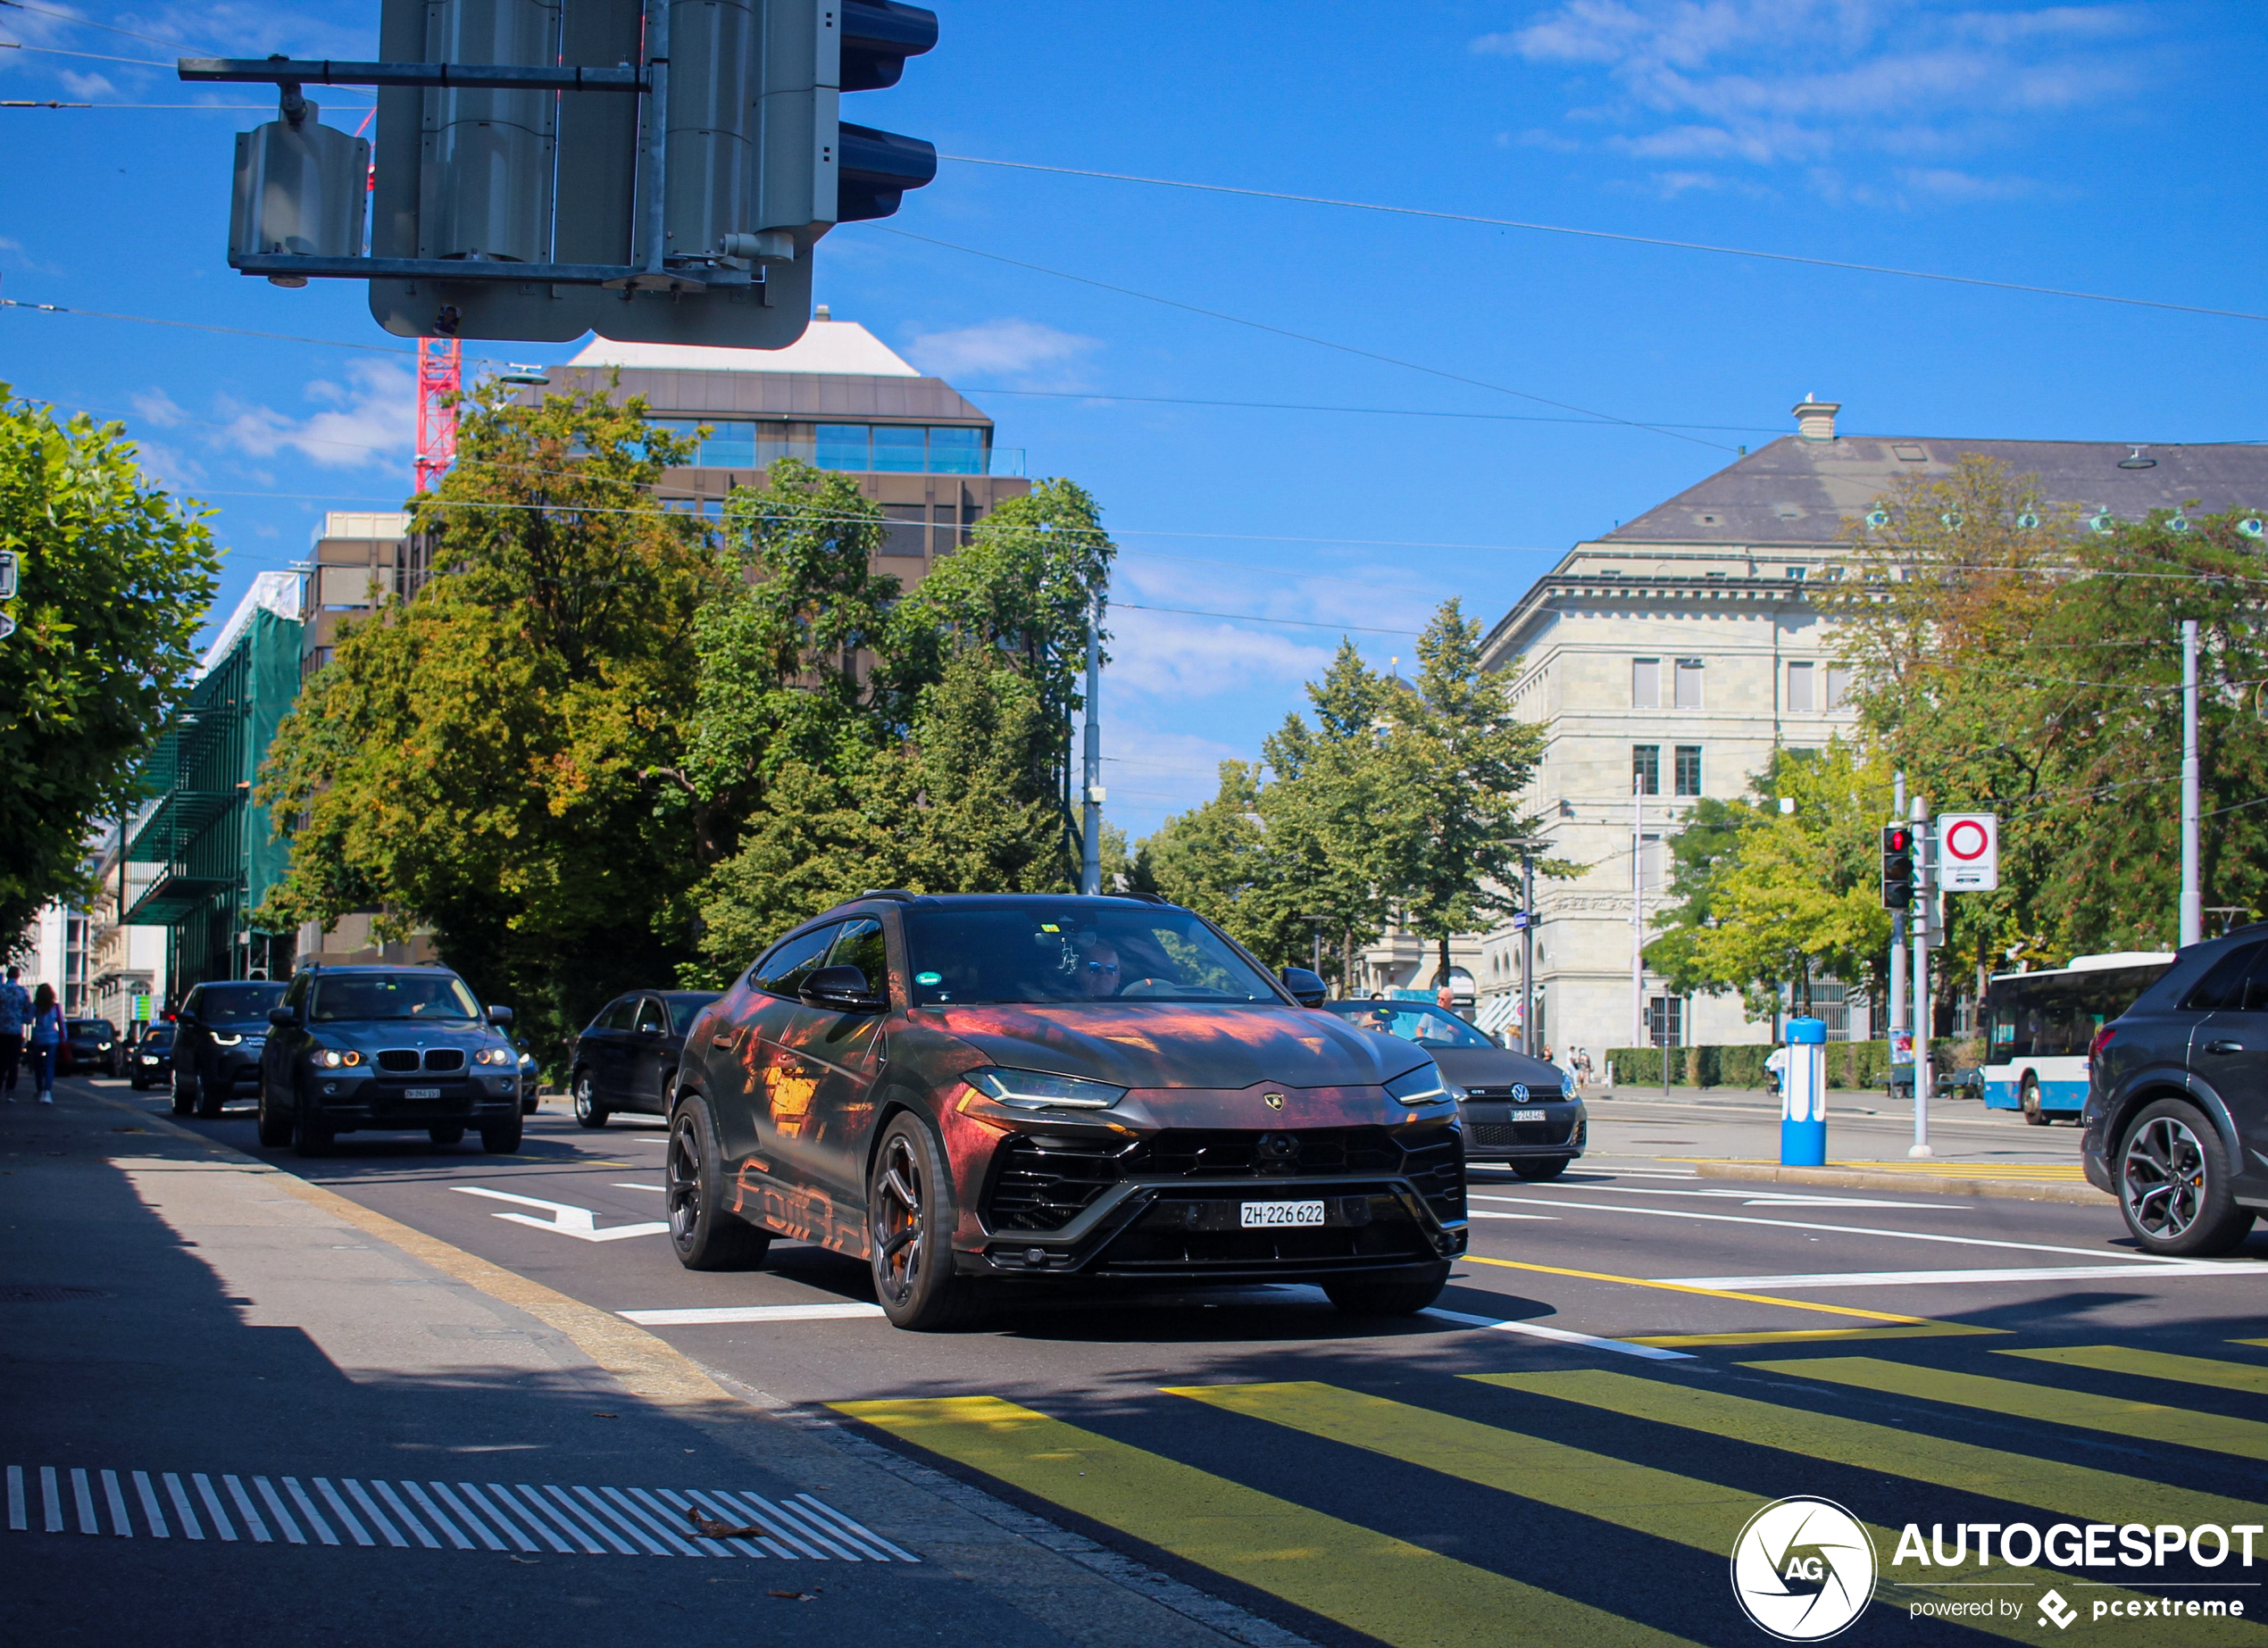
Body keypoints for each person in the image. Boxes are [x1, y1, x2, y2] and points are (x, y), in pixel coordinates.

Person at [25, 983, 63, 1105]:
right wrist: (63, 1037)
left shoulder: (35, 1006)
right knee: (50, 1066)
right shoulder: (55, 1007)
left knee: (38, 1066)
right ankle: (47, 1092)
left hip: (38, 1037)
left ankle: (39, 1089)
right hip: (52, 1038)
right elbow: (61, 1023)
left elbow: (28, 1019)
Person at [0, 964, 27, 1099]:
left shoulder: (1, 989)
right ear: (18, 976)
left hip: (1, 1030)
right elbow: (28, 1012)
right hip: (16, 1031)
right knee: (13, 1062)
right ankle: (10, 1090)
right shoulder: (22, 992)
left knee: (1, 1061)